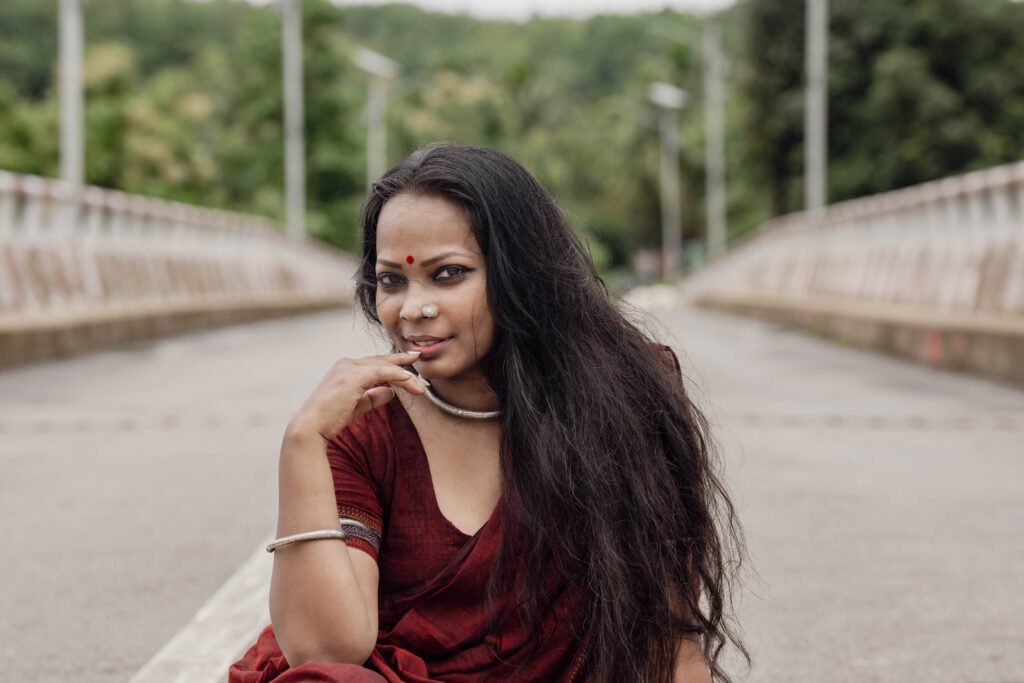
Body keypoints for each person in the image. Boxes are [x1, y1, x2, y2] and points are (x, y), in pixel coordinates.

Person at [229, 144, 747, 683]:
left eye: (448, 274)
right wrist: (304, 442)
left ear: (518, 272)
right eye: (392, 280)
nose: (413, 308)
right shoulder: (363, 422)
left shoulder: (625, 395)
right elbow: (326, 651)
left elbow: (672, 640)